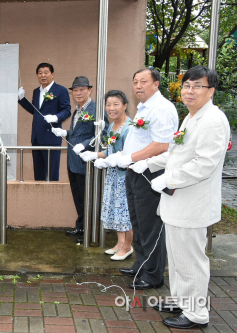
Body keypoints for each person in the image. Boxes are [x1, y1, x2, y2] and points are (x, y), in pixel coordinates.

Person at [131, 66, 230, 329]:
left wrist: (168, 179)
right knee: (177, 259)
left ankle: (196, 314)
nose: (190, 90)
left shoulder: (213, 120)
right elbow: (176, 153)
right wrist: (150, 164)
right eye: (186, 85)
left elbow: (204, 164)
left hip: (192, 204)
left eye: (197, 86)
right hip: (177, 203)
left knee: (191, 261)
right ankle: (181, 300)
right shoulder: (191, 117)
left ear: (210, 90)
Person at [107, 67, 178, 290]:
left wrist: (130, 157)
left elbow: (162, 145)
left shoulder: (162, 108)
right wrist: (122, 157)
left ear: (156, 84)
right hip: (134, 171)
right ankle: (142, 263)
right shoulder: (143, 108)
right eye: (135, 81)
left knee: (150, 225)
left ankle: (154, 274)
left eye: (143, 81)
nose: (138, 86)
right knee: (137, 222)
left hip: (151, 173)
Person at [51, 76, 106, 242]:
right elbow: (78, 132)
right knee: (78, 196)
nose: (78, 93)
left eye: (82, 89)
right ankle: (81, 227)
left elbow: (102, 134)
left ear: (90, 90)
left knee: (87, 197)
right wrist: (65, 133)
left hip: (86, 162)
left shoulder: (95, 109)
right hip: (73, 161)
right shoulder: (78, 109)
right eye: (75, 90)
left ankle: (90, 231)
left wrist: (83, 145)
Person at [79, 90, 133, 260]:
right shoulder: (111, 126)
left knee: (125, 212)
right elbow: (109, 151)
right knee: (114, 209)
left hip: (126, 176)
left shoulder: (131, 127)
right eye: (108, 105)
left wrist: (115, 158)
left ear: (125, 105)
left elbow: (131, 151)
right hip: (113, 176)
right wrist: (95, 155)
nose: (111, 108)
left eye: (116, 104)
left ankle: (128, 246)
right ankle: (119, 242)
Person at [18, 63, 71, 181]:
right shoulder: (36, 91)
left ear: (52, 74)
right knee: (38, 174)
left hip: (51, 137)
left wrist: (56, 117)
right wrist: (22, 99)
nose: (43, 75)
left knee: (52, 174)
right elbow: (36, 111)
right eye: (40, 73)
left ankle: (53, 198)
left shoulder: (60, 90)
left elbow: (67, 110)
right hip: (36, 137)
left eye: (46, 72)